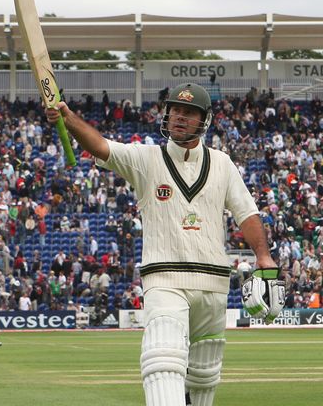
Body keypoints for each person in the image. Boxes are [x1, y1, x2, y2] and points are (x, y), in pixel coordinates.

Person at [46, 82, 284, 406]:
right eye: (175, 111)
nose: (180, 117)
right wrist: (68, 118)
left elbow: (247, 212)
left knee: (204, 374)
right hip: (165, 279)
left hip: (214, 283)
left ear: (204, 120)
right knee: (164, 358)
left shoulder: (222, 163)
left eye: (189, 112)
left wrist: (264, 257)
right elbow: (101, 146)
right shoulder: (146, 159)